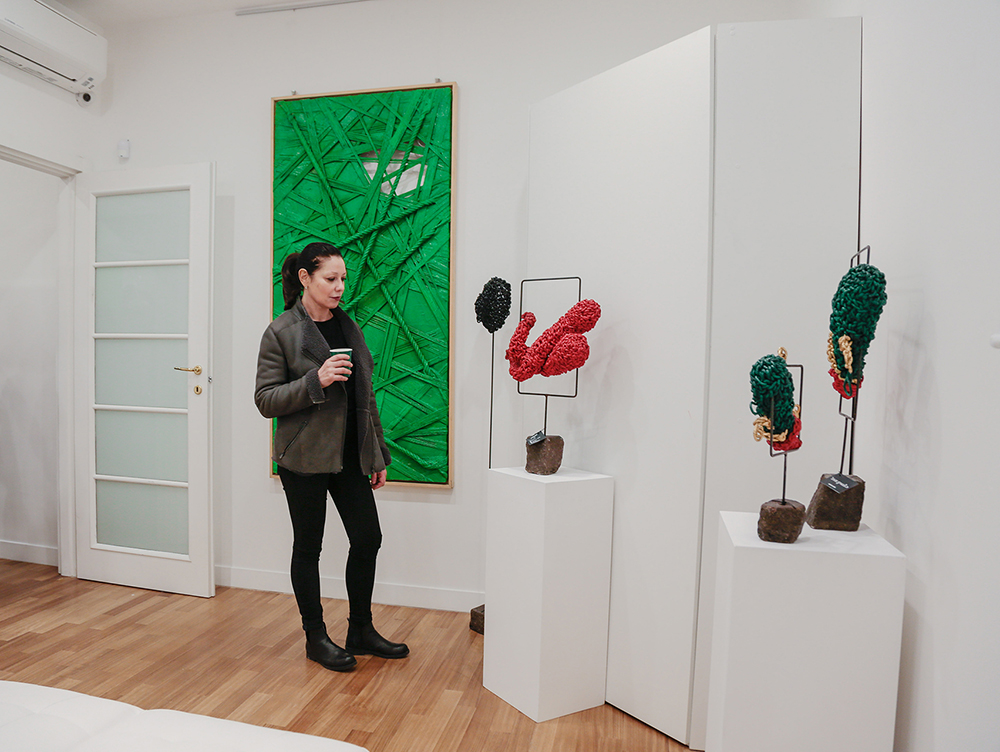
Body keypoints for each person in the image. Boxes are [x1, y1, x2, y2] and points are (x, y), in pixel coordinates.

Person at [255, 241, 408, 672]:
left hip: (350, 455)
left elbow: (365, 396)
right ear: (306, 278)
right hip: (303, 458)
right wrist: (315, 381)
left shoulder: (348, 327)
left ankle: (360, 629)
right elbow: (265, 400)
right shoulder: (281, 332)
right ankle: (316, 638)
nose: (340, 286)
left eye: (343, 278)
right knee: (309, 548)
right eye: (330, 278)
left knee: (368, 538)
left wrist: (377, 453)